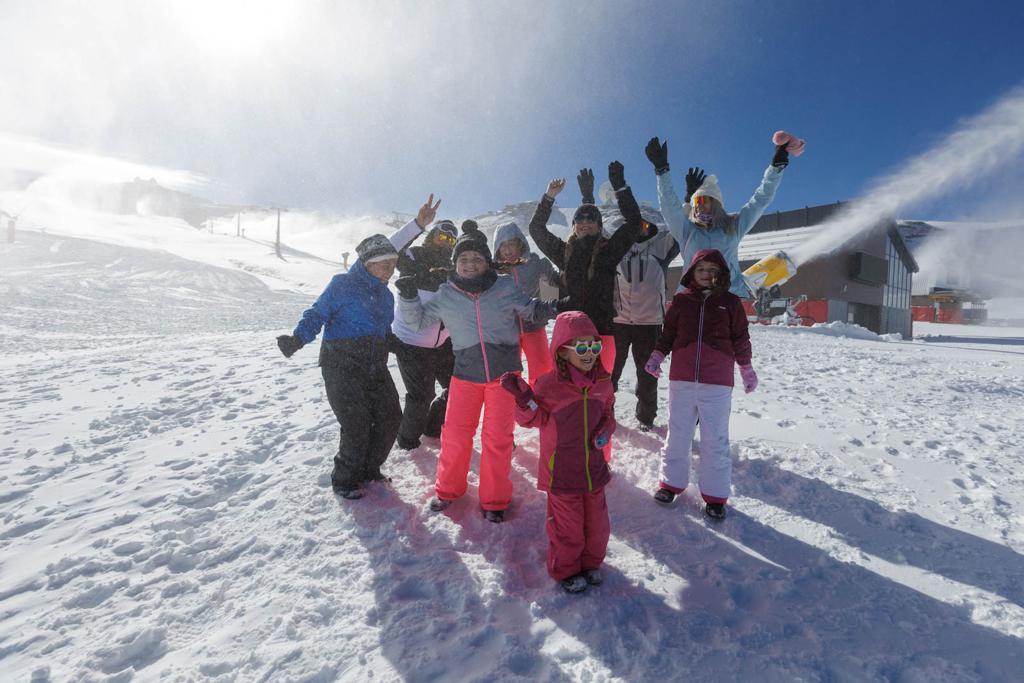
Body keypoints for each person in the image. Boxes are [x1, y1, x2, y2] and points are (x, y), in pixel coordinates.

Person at [276, 196, 437, 499]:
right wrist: (297, 339)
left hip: (374, 364)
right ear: (368, 263)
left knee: (390, 417)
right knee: (356, 422)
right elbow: (317, 314)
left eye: (393, 263)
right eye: (384, 264)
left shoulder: (386, 296)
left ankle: (369, 468)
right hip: (341, 365)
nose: (391, 269)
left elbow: (382, 331)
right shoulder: (342, 285)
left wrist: (401, 347)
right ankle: (345, 479)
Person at [396, 234, 559, 522]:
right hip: (464, 376)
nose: (470, 264)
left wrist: (557, 305)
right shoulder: (446, 294)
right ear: (455, 264)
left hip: (505, 377)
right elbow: (417, 321)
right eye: (464, 259)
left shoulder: (505, 287)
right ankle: (448, 490)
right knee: (455, 435)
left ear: (487, 262)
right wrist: (408, 296)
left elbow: (532, 309)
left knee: (498, 438)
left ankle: (495, 499)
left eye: (477, 258)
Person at [500, 311, 615, 593]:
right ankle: (566, 570)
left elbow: (609, 414)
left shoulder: (603, 382)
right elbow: (531, 420)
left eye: (595, 346)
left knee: (598, 526)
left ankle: (591, 563)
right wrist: (524, 399)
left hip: (594, 470)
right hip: (562, 472)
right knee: (568, 528)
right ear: (562, 351)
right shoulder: (549, 386)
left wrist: (605, 430)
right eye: (582, 347)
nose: (590, 354)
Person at [643, 249, 758, 520]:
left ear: (722, 274)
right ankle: (670, 484)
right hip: (681, 379)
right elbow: (668, 334)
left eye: (713, 270)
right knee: (678, 433)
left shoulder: (730, 303)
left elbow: (741, 338)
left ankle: (715, 496)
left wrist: (746, 368)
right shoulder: (681, 302)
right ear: (692, 272)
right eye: (701, 269)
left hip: (716, 383)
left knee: (715, 439)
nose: (707, 274)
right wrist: (657, 356)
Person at [528, 161, 645, 376]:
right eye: (579, 218)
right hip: (568, 334)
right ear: (573, 226)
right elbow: (536, 229)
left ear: (600, 226)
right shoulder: (564, 253)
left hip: (602, 333)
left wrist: (620, 187)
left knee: (602, 393)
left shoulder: (609, 252)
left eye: (592, 218)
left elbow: (635, 223)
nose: (585, 221)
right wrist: (549, 196)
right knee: (565, 394)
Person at [645, 134, 795, 297]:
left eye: (703, 200)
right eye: (696, 202)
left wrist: (775, 168)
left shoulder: (733, 227)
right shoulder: (688, 232)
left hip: (728, 299)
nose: (698, 205)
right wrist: (662, 172)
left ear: (715, 203)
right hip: (692, 301)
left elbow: (760, 200)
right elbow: (669, 207)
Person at [390, 218, 458, 450]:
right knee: (421, 396)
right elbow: (390, 249)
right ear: (432, 235)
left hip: (443, 342)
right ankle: (407, 441)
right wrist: (418, 224)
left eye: (450, 239)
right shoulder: (413, 257)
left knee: (459, 386)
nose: (445, 242)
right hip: (411, 342)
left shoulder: (453, 268)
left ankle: (432, 426)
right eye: (441, 236)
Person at [609, 214, 679, 431]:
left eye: (644, 225)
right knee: (610, 373)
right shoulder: (614, 250)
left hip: (649, 324)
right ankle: (603, 412)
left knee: (647, 374)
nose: (639, 229)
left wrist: (687, 201)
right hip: (618, 321)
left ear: (651, 228)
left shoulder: (660, 248)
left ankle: (646, 419)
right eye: (633, 225)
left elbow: (680, 229)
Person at [493, 221, 560, 384]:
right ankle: (514, 406)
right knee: (509, 375)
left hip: (534, 325)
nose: (507, 250)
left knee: (543, 370)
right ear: (497, 248)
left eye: (511, 244)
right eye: (503, 245)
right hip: (506, 331)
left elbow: (553, 289)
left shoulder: (535, 263)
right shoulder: (492, 271)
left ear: (520, 244)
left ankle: (540, 405)